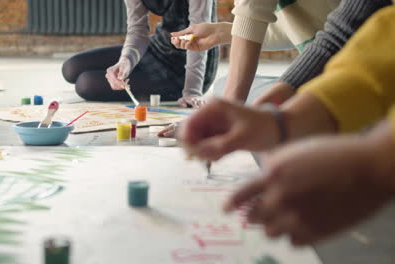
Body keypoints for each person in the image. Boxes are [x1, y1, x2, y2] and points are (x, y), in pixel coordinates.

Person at [179, 5, 395, 245]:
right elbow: (348, 33)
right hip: (346, 72)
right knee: (227, 87)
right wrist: (282, 120)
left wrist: (378, 160)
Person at [158, 0, 392, 137]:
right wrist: (225, 31)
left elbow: (339, 37)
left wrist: (224, 118)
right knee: (224, 86)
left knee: (262, 119)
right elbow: (307, 31)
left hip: (364, 78)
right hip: (340, 66)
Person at [62, 0, 219, 108]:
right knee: (71, 68)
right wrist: (126, 61)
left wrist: (192, 91)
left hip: (189, 65)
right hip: (160, 45)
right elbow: (137, 32)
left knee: (86, 84)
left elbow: (199, 35)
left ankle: (178, 87)